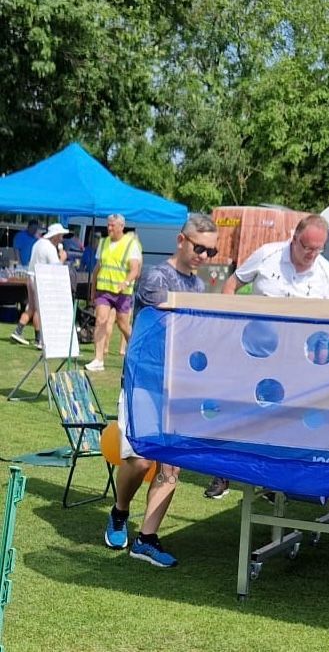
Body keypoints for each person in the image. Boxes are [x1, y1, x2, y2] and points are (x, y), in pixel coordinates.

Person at [104, 214, 219, 567]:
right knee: (140, 461)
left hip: (178, 387)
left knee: (171, 467)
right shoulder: (156, 277)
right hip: (144, 381)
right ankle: (120, 512)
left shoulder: (199, 286)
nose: (203, 256)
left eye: (211, 252)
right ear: (181, 240)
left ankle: (146, 540)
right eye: (199, 247)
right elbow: (174, 326)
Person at [204, 214, 329, 499]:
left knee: (280, 418)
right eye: (306, 247)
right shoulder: (267, 255)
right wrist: (228, 324)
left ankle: (269, 479)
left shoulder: (327, 272)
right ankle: (223, 473)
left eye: (318, 249)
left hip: (296, 362)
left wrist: (322, 364)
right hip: (254, 352)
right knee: (238, 410)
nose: (311, 254)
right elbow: (232, 283)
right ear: (294, 238)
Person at [85, 214, 142, 372]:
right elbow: (97, 268)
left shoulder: (131, 244)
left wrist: (126, 282)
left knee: (123, 325)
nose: (109, 228)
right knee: (101, 321)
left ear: (121, 226)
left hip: (122, 293)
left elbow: (135, 269)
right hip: (104, 290)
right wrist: (93, 290)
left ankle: (137, 352)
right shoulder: (103, 242)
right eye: (108, 225)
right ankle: (98, 359)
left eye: (112, 225)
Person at [9, 223, 68, 348]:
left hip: (31, 276)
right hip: (40, 279)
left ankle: (21, 332)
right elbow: (56, 267)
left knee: (32, 307)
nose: (62, 238)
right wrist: (62, 259)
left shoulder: (38, 243)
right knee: (40, 309)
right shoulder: (49, 248)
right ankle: (39, 340)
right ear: (55, 236)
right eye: (61, 236)